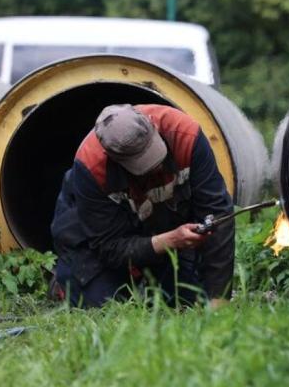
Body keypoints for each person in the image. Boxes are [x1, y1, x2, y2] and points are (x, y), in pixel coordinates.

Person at [50, 103, 234, 308]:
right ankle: (64, 281)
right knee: (106, 306)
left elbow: (217, 212)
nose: (155, 166)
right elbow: (109, 248)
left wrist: (219, 296)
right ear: (114, 158)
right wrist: (171, 239)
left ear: (152, 126)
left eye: (155, 154)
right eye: (143, 163)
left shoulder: (185, 134)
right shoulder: (91, 167)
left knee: (186, 299)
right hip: (98, 237)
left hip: (159, 220)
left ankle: (150, 277)